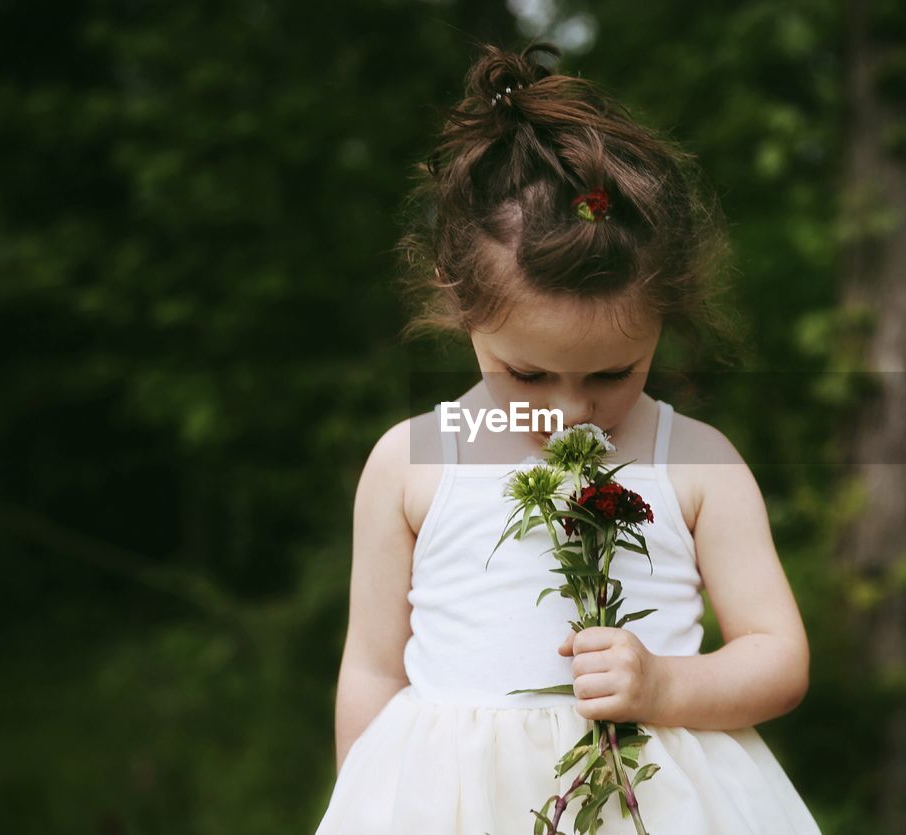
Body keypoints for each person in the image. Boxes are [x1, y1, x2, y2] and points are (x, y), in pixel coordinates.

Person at [313, 41, 822, 834]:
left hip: (647, 801)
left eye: (614, 373)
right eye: (527, 375)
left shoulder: (695, 461)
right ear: (460, 306)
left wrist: (664, 688)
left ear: (666, 319)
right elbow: (372, 668)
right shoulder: (411, 461)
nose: (571, 411)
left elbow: (778, 655)